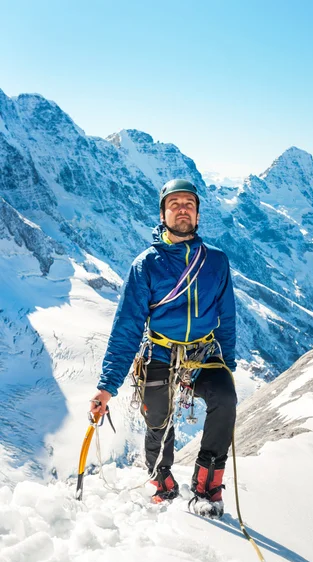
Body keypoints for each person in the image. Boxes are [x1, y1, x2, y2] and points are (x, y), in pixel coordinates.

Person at [90, 179, 237, 518]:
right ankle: (162, 479)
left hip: (203, 354)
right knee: (157, 416)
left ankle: (207, 485)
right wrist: (106, 386)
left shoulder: (216, 261)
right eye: (175, 204)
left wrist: (226, 363)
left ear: (198, 215)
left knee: (225, 398)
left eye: (189, 203)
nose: (182, 208)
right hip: (160, 352)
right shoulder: (147, 265)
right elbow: (127, 326)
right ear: (163, 214)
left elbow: (226, 315)